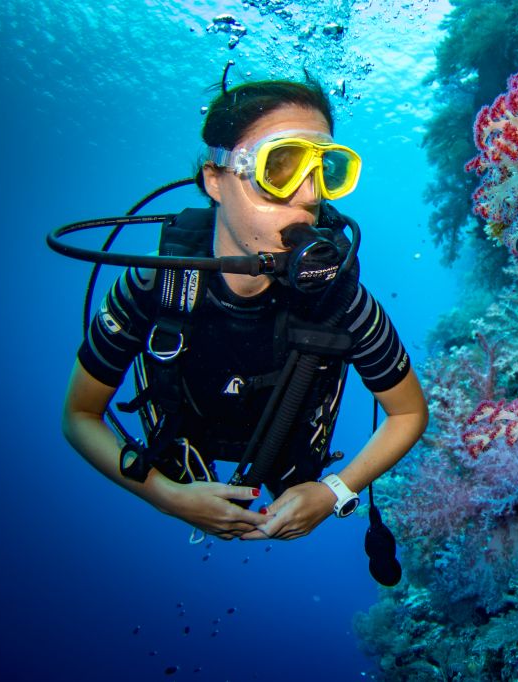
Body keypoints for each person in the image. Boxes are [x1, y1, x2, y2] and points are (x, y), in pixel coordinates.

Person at [61, 77, 428, 544]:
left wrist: (333, 491)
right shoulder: (153, 284)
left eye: (325, 171)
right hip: (179, 458)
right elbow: (79, 415)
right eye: (281, 167)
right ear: (215, 180)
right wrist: (165, 496)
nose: (310, 196)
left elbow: (408, 413)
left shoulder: (339, 298)